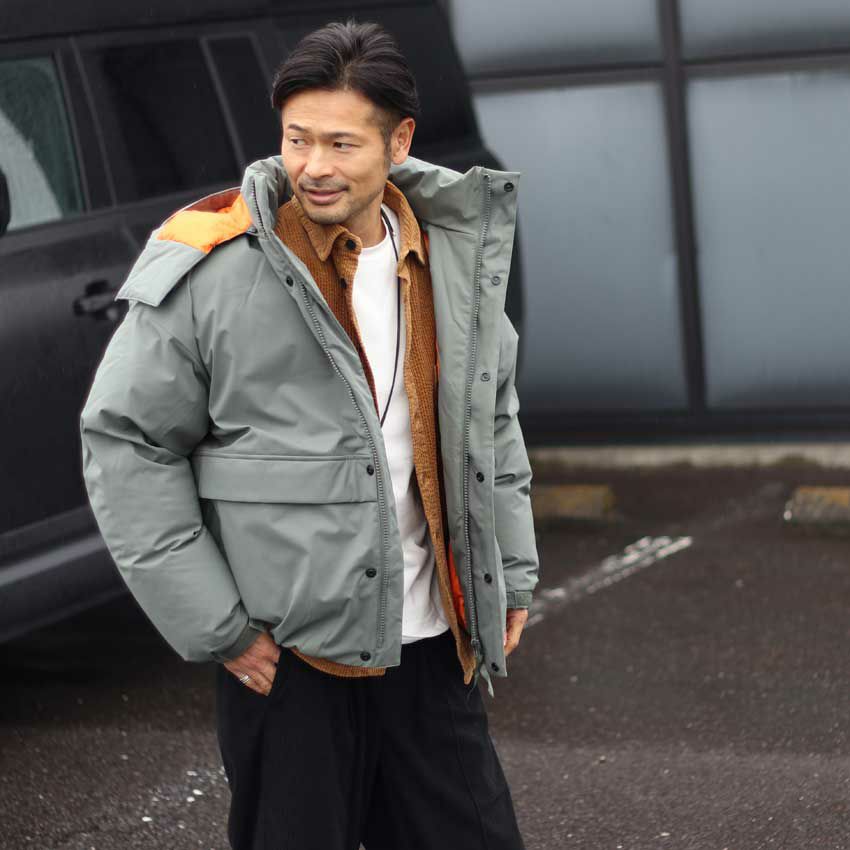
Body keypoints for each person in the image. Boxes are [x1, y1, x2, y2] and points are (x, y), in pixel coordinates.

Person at [79, 18, 539, 850]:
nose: (314, 165)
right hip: (290, 665)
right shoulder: (214, 267)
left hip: (433, 648)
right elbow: (126, 439)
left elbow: (491, 420)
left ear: (399, 141)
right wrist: (218, 625)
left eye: (341, 143)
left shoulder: (451, 254)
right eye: (297, 139)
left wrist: (509, 567)